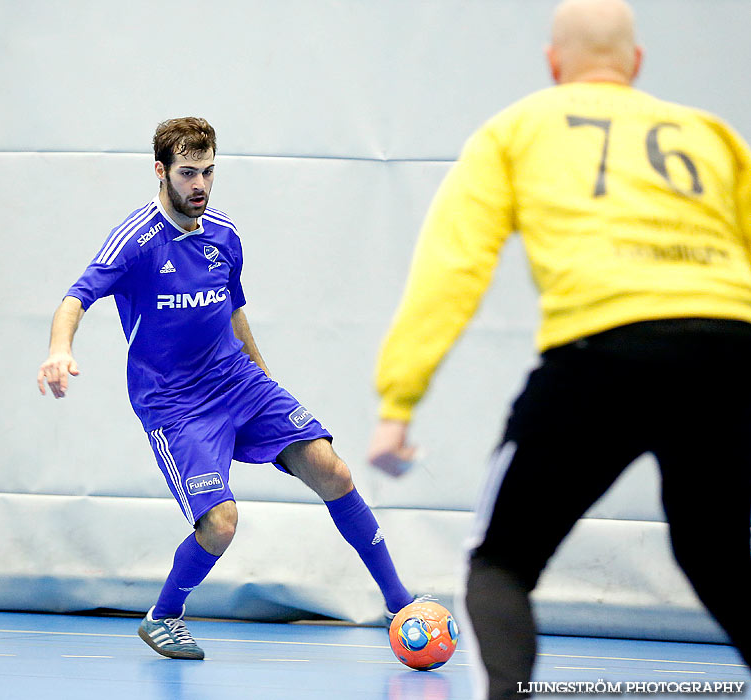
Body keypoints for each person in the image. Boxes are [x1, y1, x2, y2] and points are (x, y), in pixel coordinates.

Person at [367, 0, 751, 696]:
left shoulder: (518, 128)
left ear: (553, 64)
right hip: (729, 353)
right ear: (636, 64)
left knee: (500, 562)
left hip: (603, 353)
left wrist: (399, 400)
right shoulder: (711, 135)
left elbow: (453, 268)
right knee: (719, 557)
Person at [37, 117, 414, 660]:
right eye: (188, 173)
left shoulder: (225, 234)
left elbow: (234, 310)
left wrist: (263, 376)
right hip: (175, 404)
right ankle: (163, 616)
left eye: (209, 173)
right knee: (220, 524)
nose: (200, 186)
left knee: (333, 468)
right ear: (161, 171)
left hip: (238, 382)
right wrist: (59, 349)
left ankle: (398, 603)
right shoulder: (137, 240)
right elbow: (75, 298)